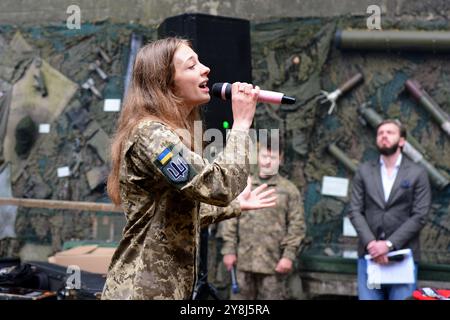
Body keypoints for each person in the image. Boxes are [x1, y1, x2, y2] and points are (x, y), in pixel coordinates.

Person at [101, 37, 278, 300]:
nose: (205, 69)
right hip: (139, 292)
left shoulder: (169, 134)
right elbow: (219, 187)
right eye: (191, 66)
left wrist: (237, 205)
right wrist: (241, 124)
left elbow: (177, 215)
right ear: (166, 82)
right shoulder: (151, 135)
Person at [349, 119, 431, 300]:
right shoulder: (363, 171)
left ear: (402, 141)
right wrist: (372, 244)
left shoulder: (417, 173)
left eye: (390, 132)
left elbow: (420, 215)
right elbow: (355, 210)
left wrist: (388, 245)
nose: (384, 136)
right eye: (380, 133)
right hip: (369, 256)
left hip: (403, 256)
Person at [220, 140, 306, 300]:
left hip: (274, 265)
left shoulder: (289, 190)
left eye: (273, 157)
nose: (267, 161)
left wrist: (288, 256)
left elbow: (297, 225)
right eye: (264, 156)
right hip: (243, 262)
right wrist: (229, 250)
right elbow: (230, 220)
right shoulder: (245, 186)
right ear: (257, 157)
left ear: (281, 159)